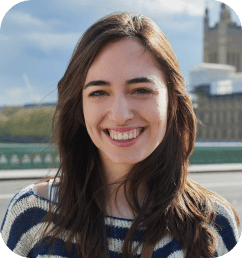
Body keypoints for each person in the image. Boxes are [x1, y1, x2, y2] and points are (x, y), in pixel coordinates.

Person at [1, 11, 240, 258]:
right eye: (99, 92)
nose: (120, 114)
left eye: (140, 90)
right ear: (79, 107)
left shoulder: (213, 226)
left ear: (173, 101)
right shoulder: (30, 215)